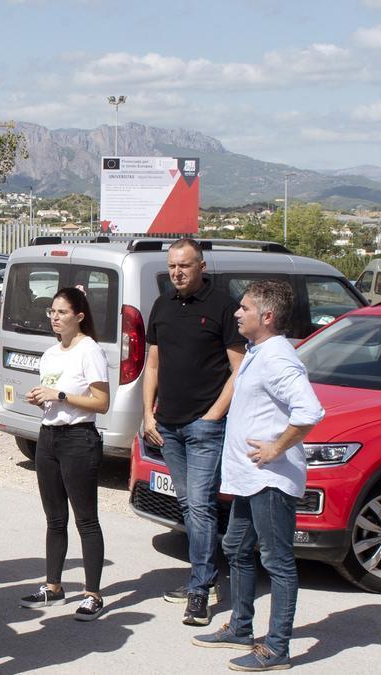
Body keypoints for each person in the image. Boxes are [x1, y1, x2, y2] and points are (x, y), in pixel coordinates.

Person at [192, 279, 323, 671]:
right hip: (249, 479)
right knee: (235, 548)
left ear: (266, 316)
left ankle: (277, 648)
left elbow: (310, 411)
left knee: (278, 561)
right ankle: (241, 627)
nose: (237, 312)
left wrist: (276, 447)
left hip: (270, 478)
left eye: (245, 308)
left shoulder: (278, 358)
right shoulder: (257, 351)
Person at [142, 237, 245, 626]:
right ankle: (203, 577)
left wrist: (213, 416)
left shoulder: (223, 306)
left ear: (201, 266)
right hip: (166, 424)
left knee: (200, 506)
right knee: (187, 505)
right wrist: (148, 415)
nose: (177, 273)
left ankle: (200, 590)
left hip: (204, 428)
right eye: (171, 267)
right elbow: (153, 364)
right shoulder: (162, 305)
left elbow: (240, 369)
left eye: (184, 266)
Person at [19, 287, 110, 621]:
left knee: (86, 518)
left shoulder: (90, 350)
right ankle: (53, 586)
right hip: (49, 437)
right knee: (55, 518)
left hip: (78, 438)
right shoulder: (51, 353)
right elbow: (55, 396)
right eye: (51, 312)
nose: (55, 318)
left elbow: (101, 402)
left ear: (79, 316)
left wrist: (60, 394)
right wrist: (42, 398)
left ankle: (93, 593)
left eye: (61, 312)